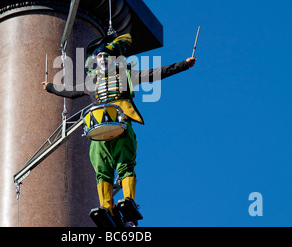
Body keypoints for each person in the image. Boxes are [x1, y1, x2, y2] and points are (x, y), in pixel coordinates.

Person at [42, 34, 196, 226]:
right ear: (94, 61)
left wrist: (183, 64)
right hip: (99, 133)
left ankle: (129, 200)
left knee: (125, 163)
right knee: (102, 169)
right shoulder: (91, 83)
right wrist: (50, 87)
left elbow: (156, 73)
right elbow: (70, 91)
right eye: (99, 57)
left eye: (107, 56)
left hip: (122, 127)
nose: (103, 59)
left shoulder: (126, 77)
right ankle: (107, 207)